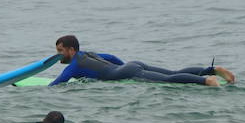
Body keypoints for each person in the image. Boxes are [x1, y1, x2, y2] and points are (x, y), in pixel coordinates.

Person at [48, 34, 234, 87]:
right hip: (132, 65)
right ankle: (211, 70)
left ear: (71, 50)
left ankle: (206, 81)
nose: (58, 55)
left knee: (169, 81)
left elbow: (57, 83)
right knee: (174, 73)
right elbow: (111, 58)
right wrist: (125, 68)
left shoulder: (73, 66)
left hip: (128, 72)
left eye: (60, 51)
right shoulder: (88, 54)